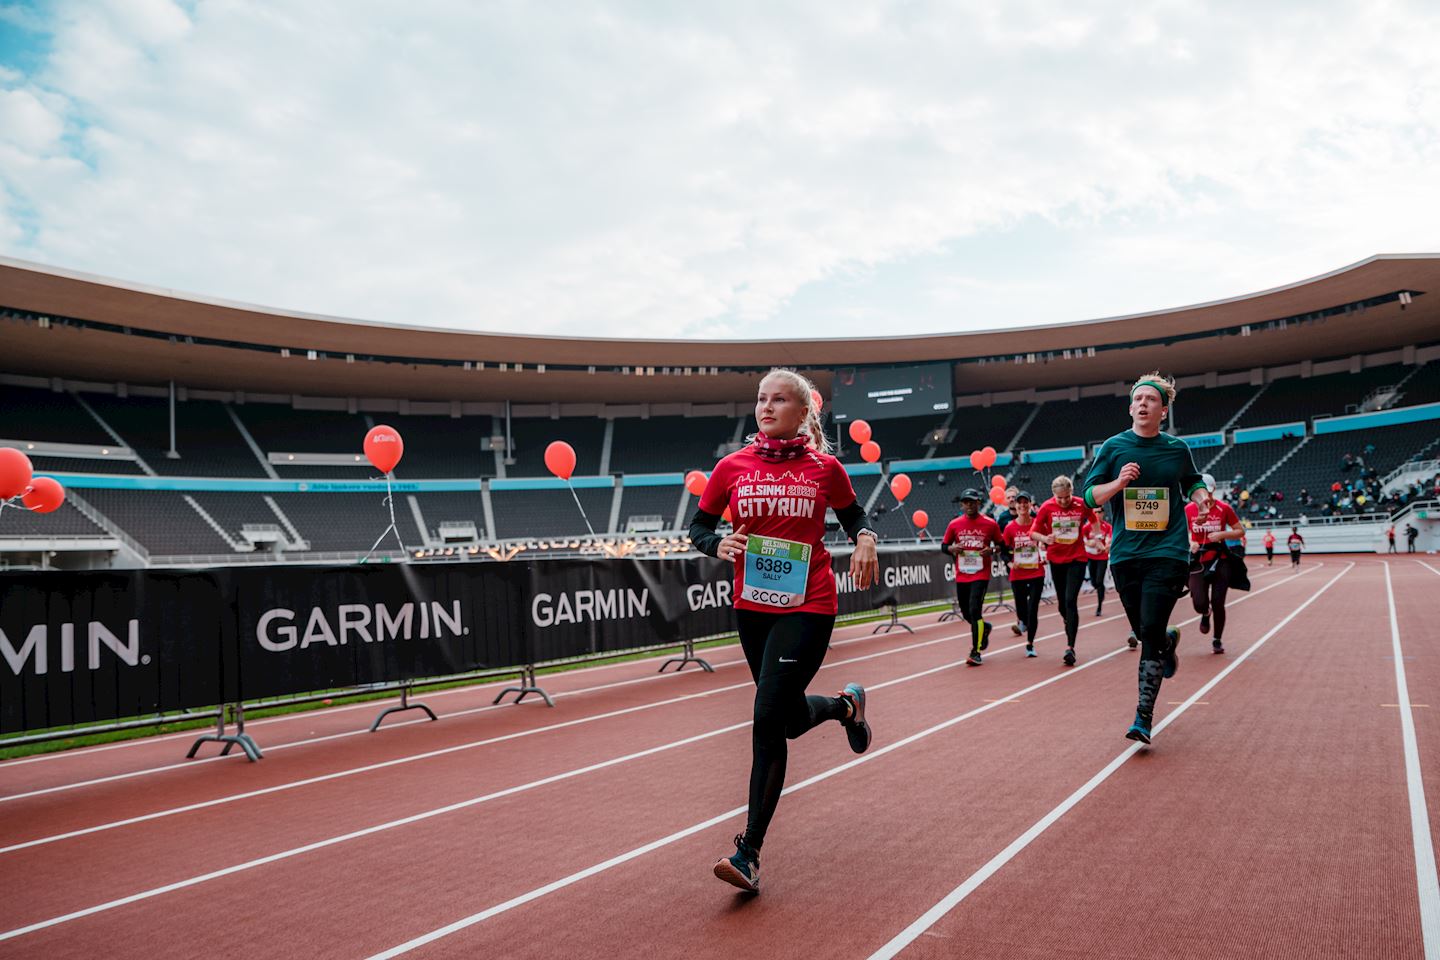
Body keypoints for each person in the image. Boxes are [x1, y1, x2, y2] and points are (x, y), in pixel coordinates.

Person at [691, 368, 879, 894]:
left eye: (778, 400)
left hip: (809, 605)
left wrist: (864, 536)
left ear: (803, 412)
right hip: (753, 608)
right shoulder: (731, 467)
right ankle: (846, 707)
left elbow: (854, 513)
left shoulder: (826, 468)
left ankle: (748, 852)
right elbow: (699, 527)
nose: (766, 407)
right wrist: (717, 545)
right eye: (760, 399)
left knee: (767, 718)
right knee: (788, 718)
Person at [1081, 371, 1208, 745]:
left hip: (1167, 552)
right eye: (1137, 399)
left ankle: (1143, 716)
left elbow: (1193, 481)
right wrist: (1119, 483)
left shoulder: (1176, 448)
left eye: (1150, 400)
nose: (1142, 404)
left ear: (1162, 410)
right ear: (1130, 407)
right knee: (1143, 629)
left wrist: (1201, 499)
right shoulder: (1113, 447)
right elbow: (1089, 496)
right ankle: (1167, 640)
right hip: (1124, 554)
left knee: (1147, 631)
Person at [1031, 475, 1095, 666]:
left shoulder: (1081, 504)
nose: (1064, 501)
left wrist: (1096, 537)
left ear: (1071, 493)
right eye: (1060, 498)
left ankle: (1070, 647)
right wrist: (1045, 539)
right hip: (1056, 559)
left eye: (1066, 497)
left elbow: (1093, 519)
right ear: (1054, 495)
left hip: (1077, 558)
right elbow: (1033, 532)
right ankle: (1070, 623)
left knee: (1070, 600)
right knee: (1062, 605)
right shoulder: (1047, 507)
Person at [942, 489, 1004, 666]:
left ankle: (975, 652)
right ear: (962, 505)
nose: (969, 505)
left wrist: (991, 550)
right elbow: (944, 546)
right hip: (962, 575)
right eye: (966, 502)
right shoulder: (954, 524)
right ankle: (985, 628)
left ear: (979, 503)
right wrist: (952, 549)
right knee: (966, 613)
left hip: (980, 574)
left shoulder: (990, 524)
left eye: (973, 502)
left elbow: (1001, 545)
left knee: (975, 610)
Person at [1186, 484, 1246, 655]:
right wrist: (1191, 542)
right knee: (1199, 602)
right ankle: (1205, 613)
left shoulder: (1224, 508)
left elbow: (1240, 531)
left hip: (1220, 559)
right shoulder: (1188, 509)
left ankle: (1217, 639)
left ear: (1213, 491)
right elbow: (1180, 532)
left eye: (1209, 492)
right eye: (1202, 492)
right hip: (1198, 560)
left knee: (1218, 602)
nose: (1206, 496)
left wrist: (1222, 535)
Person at [1002, 490, 1046, 656]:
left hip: (1036, 572)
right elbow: (1004, 549)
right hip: (1018, 574)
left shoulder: (1038, 524)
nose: (1022, 505)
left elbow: (1047, 542)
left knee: (1033, 608)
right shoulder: (1010, 527)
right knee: (1022, 610)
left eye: (1025, 502)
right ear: (1016, 505)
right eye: (1019, 503)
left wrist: (1045, 554)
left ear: (1029, 504)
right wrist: (1009, 562)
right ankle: (1023, 622)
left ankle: (1030, 644)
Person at [1082, 513, 1113, 616]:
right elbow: (1083, 539)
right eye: (1095, 512)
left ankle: (1099, 606)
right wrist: (1089, 543)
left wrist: (1106, 545)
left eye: (1100, 512)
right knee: (1094, 582)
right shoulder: (1087, 527)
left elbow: (1109, 539)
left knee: (1099, 581)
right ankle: (1100, 588)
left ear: (1103, 513)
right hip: (1091, 556)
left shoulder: (1107, 527)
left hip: (1102, 556)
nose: (1098, 514)